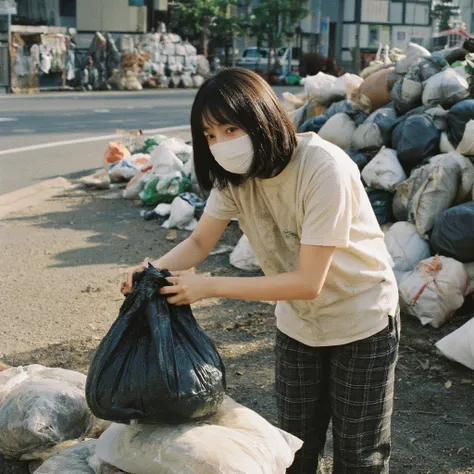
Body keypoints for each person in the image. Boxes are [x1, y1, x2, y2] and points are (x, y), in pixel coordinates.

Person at [123, 68, 399, 474]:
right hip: (299, 325)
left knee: (359, 457)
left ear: (261, 118)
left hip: (361, 320)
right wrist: (152, 269)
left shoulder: (323, 168)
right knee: (291, 450)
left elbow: (308, 282)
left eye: (231, 128)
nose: (221, 144)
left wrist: (208, 286)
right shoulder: (235, 179)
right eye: (210, 135)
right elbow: (200, 242)